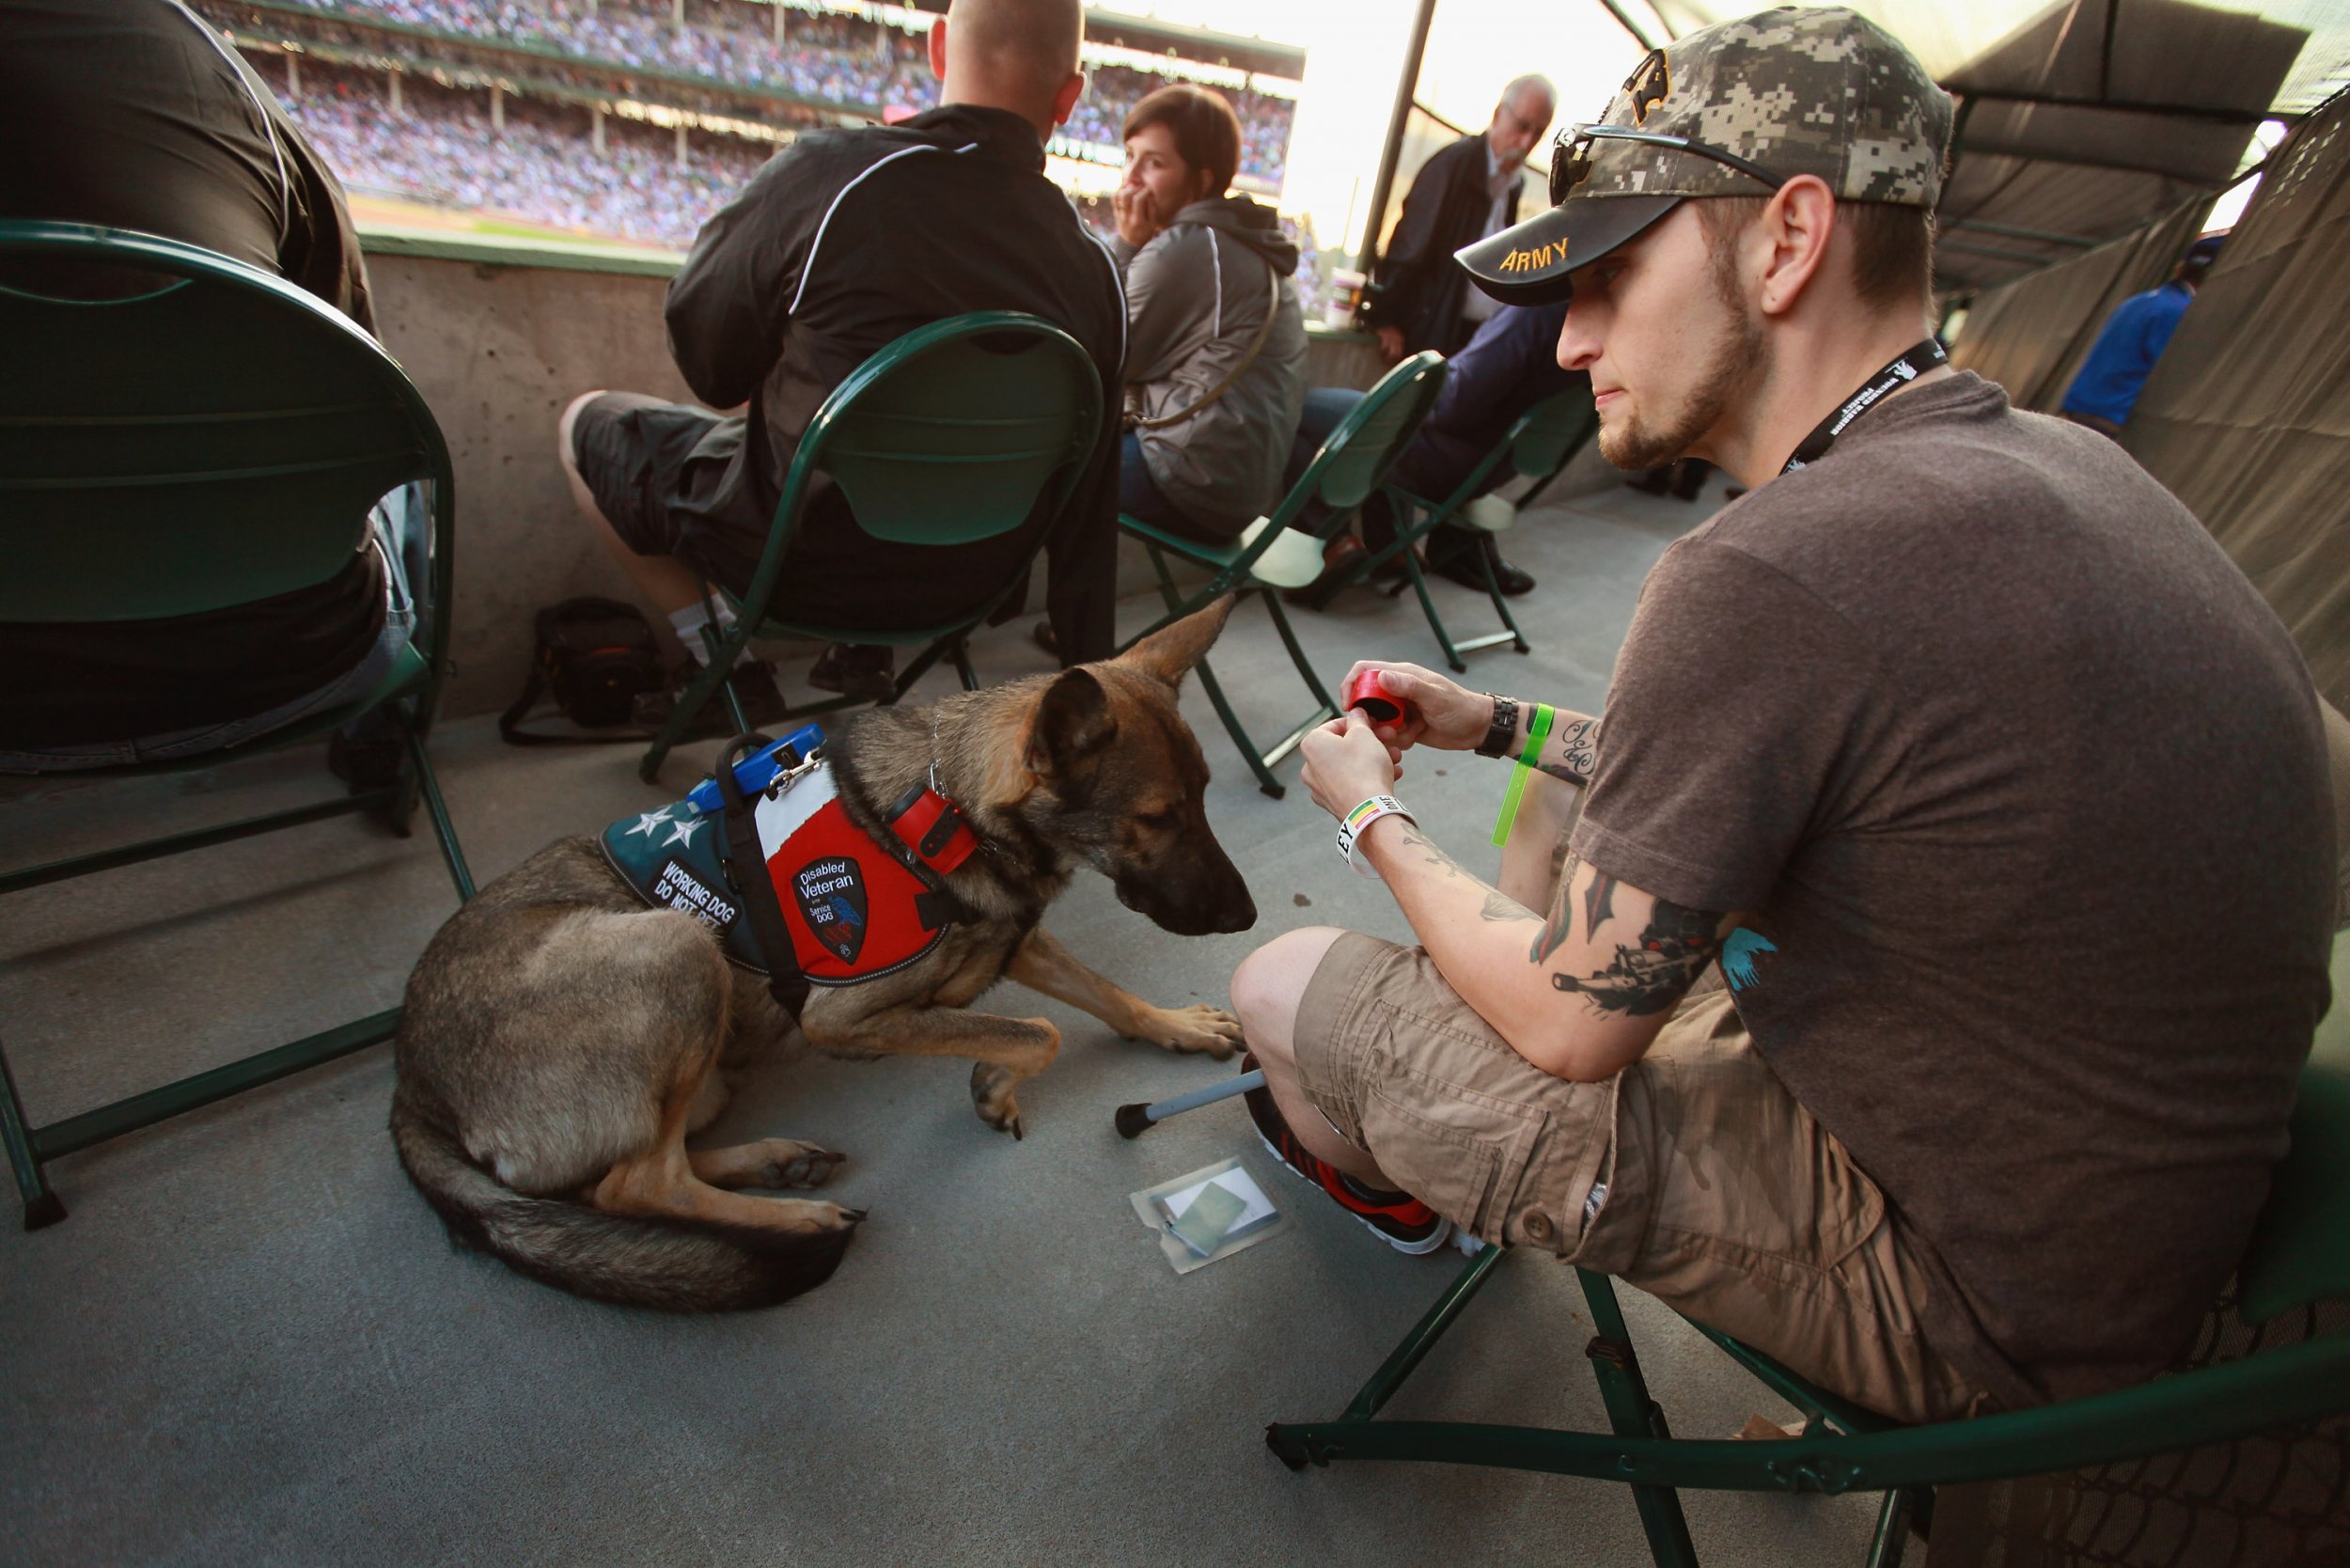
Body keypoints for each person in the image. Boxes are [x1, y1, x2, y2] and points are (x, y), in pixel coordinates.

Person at [1227, 7, 2332, 1427]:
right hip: (2101, 1201)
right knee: (1569, 800)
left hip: (1974, 1297)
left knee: (1281, 984)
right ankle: (1478, 1050)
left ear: (1788, 239)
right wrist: (1491, 724)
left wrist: (1369, 812)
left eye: (1612, 276)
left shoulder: (1766, 572)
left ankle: (1424, 1176)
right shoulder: (2049, 458)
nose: (1569, 343)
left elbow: (1574, 1032)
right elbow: (1772, 762)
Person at [559, 0, 1124, 709]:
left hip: (796, 562)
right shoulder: (1097, 273)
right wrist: (1089, 696)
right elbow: (1088, 513)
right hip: (972, 583)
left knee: (585, 421)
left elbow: (710, 372)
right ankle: (860, 653)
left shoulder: (830, 175)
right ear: (1070, 97)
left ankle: (728, 678)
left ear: (939, 48)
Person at [0, 0, 415, 771]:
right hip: (290, 656)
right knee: (401, 460)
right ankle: (384, 738)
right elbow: (360, 377)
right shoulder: (201, 66)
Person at [1356, 75, 1555, 597]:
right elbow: (1410, 243)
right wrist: (1386, 316)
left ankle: (1435, 546)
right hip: (1433, 326)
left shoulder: (1511, 184)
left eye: (1537, 132)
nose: (1526, 140)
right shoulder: (1452, 165)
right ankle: (1392, 549)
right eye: (1521, 125)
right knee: (1406, 427)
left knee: (1445, 430)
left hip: (1474, 331)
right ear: (1498, 114)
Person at [1109, 83, 1307, 544]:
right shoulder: (1235, 238)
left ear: (1200, 179)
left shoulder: (1188, 247)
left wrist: (1127, 245)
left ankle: (1079, 619)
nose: (1131, 178)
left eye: (1154, 162)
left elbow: (1107, 352)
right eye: (1130, 155)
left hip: (1191, 483)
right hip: (1236, 490)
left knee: (1047, 467)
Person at [1287, 300, 1584, 605]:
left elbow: (1453, 402)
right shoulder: (1586, 321)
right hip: (1488, 469)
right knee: (1375, 424)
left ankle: (1328, 549)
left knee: (1304, 410)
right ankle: (1391, 546)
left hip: (1445, 459)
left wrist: (1408, 395)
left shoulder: (1534, 313)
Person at [2059, 233, 2224, 438]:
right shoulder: (2178, 312)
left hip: (2080, 409)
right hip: (2110, 420)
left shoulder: (2139, 302)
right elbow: (2172, 373)